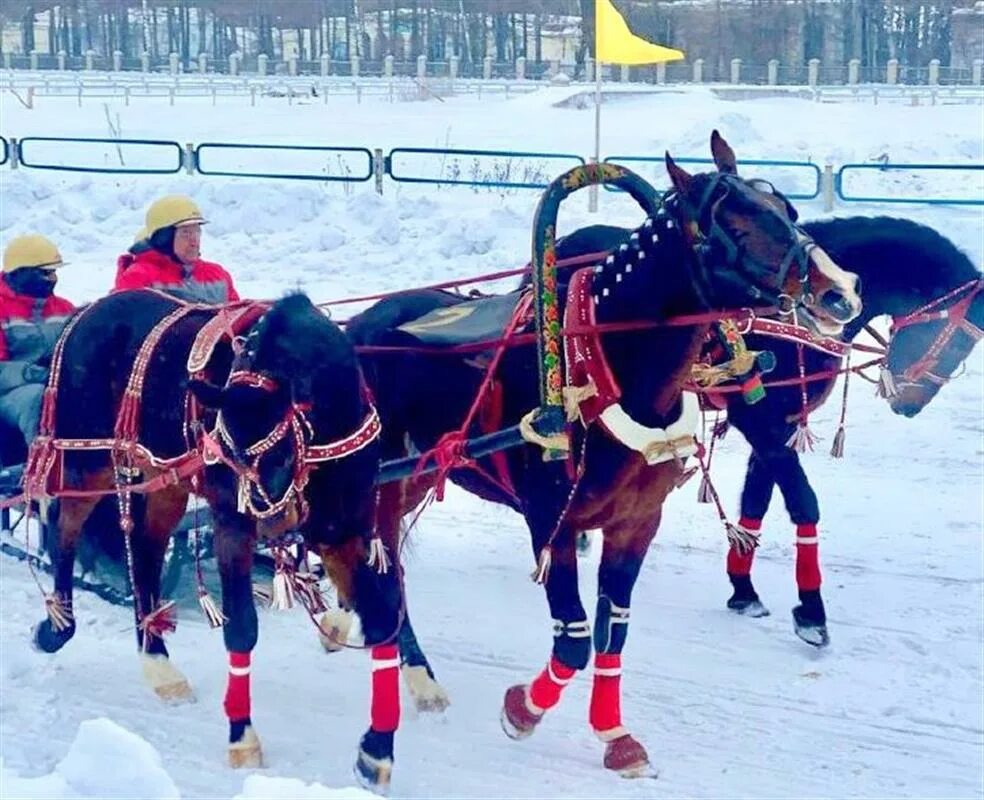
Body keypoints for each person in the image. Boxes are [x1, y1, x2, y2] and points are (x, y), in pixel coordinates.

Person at [0, 234, 76, 450]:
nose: (53, 278)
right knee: (38, 398)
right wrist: (34, 374)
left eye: (54, 272)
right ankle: (41, 467)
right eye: (46, 273)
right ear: (21, 273)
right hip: (10, 395)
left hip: (55, 384)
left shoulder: (65, 308)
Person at [113, 195, 240, 303]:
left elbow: (238, 320)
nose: (194, 241)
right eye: (186, 233)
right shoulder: (138, 277)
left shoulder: (218, 274)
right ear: (164, 238)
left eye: (197, 231)